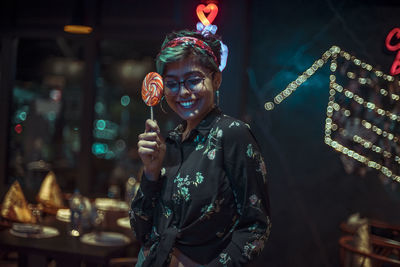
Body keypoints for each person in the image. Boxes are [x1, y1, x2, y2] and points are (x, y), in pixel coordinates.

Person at [130, 28, 271, 267]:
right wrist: (151, 173)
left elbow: (256, 227)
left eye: (194, 80)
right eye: (172, 84)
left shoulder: (232, 134)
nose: (183, 92)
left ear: (216, 79)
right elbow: (141, 229)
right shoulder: (170, 141)